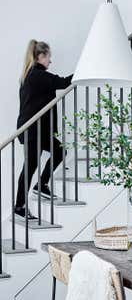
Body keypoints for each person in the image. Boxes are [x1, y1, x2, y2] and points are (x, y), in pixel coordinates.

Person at [15, 40, 73, 220]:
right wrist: (86, 69)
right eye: (48, 57)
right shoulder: (37, 75)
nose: (50, 61)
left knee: (59, 150)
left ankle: (41, 185)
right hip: (33, 130)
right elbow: (63, 82)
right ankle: (19, 206)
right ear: (40, 56)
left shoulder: (32, 75)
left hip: (37, 130)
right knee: (30, 166)